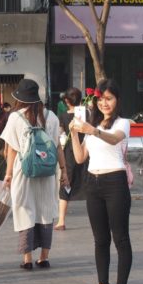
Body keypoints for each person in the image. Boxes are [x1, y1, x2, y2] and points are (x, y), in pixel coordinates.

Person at [69, 79, 132, 284]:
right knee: (100, 240)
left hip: (115, 182)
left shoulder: (123, 123)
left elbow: (114, 139)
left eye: (109, 98)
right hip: (93, 184)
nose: (104, 103)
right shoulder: (91, 125)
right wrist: (75, 133)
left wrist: (92, 130)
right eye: (101, 99)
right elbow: (79, 158)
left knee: (120, 238)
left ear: (117, 100)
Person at [1, 79, 69, 269]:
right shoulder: (52, 117)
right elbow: (57, 147)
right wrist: (64, 171)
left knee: (25, 211)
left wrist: (8, 175)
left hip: (24, 172)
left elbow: (12, 151)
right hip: (47, 172)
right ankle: (44, 258)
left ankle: (27, 260)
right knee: (46, 211)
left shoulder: (15, 118)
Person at [54, 88, 86, 231]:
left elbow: (59, 133)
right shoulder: (87, 114)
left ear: (66, 101)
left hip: (69, 153)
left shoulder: (62, 116)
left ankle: (61, 220)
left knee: (66, 184)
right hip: (86, 151)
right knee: (89, 182)